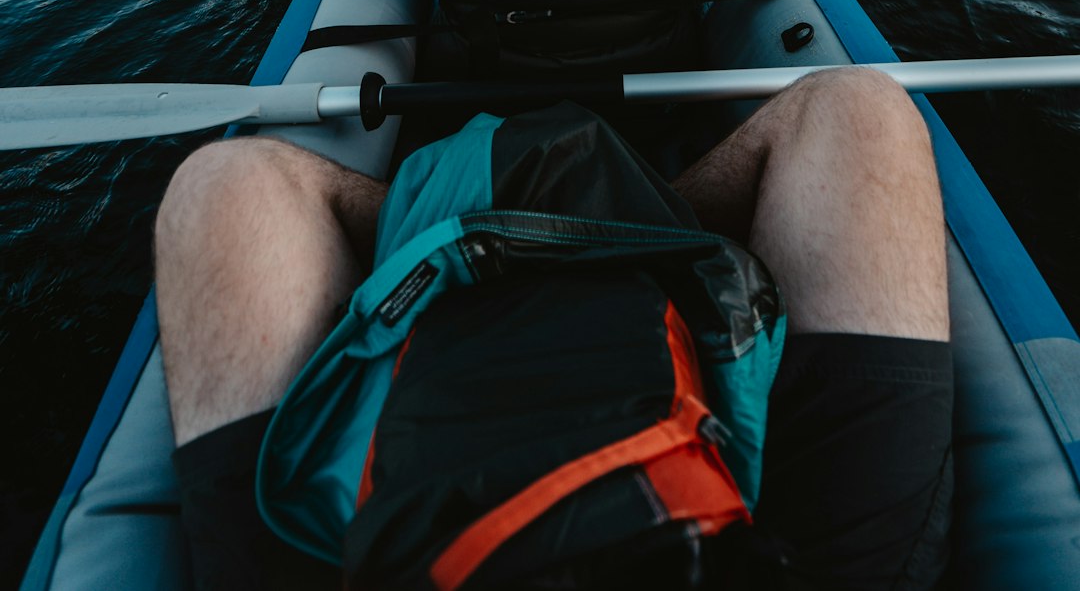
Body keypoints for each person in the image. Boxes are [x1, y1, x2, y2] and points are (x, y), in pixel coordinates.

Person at [156, 68, 953, 589]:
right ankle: (603, 213)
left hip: (368, 546)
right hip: (788, 551)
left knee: (222, 183)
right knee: (863, 109)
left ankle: (531, 214)